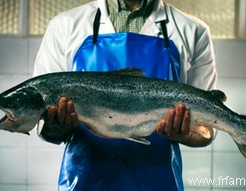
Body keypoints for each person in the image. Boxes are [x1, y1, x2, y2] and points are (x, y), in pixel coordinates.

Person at [33, 0, 217, 190]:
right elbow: (43, 124)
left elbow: (207, 130)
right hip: (84, 181)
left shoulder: (194, 30)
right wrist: (57, 126)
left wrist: (184, 133)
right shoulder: (64, 26)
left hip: (159, 182)